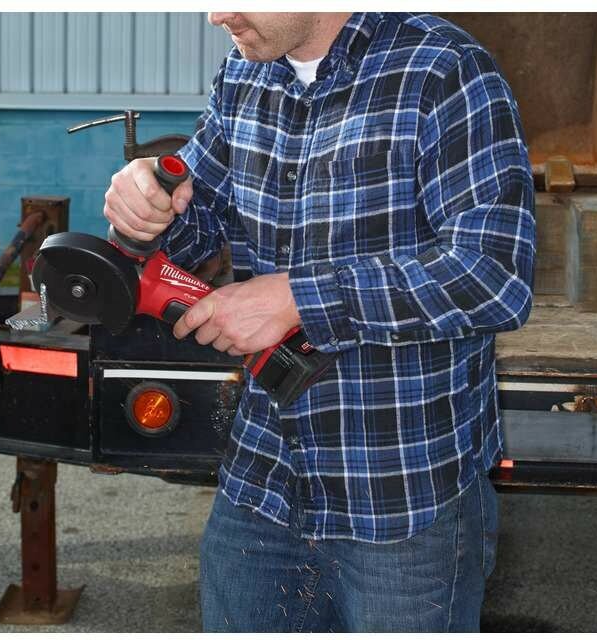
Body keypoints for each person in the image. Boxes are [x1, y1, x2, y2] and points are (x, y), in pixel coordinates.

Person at [104, 12, 535, 632]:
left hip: (399, 498)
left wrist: (298, 300)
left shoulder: (444, 70)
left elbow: (494, 275)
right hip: (263, 481)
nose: (216, 14)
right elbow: (198, 224)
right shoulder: (244, 74)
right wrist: (145, 205)